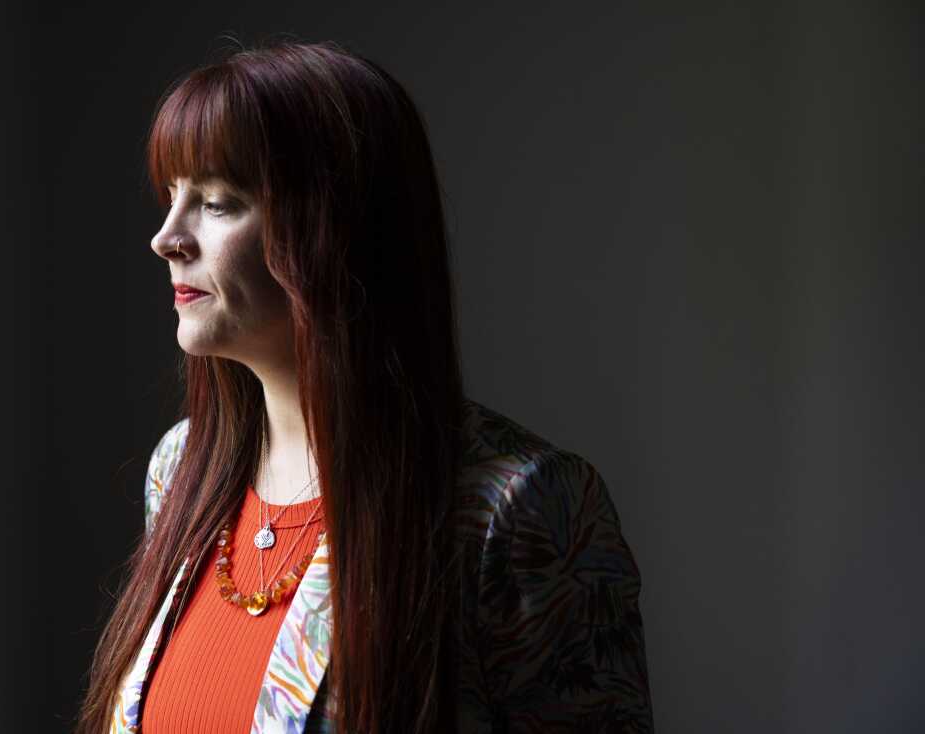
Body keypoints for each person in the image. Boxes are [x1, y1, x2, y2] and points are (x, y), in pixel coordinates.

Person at [76, 39, 653, 734]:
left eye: (220, 203)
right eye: (173, 197)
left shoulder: (517, 508)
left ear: (338, 231)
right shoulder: (180, 469)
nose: (167, 238)